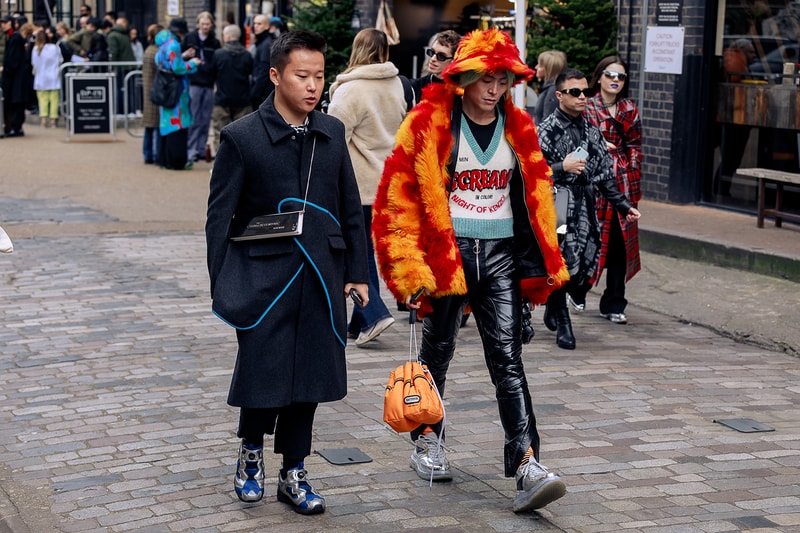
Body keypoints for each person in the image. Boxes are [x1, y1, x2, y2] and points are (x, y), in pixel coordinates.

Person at [372, 28, 570, 513]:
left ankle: (526, 463)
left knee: (508, 359)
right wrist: (409, 265)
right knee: (437, 353)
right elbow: (397, 196)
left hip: (500, 255)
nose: (493, 90)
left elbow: (537, 194)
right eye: (485, 79)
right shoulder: (430, 122)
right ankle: (428, 442)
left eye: (502, 81)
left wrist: (542, 259)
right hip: (447, 253)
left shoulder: (520, 127)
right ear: (464, 77)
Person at [205, 30, 369, 514]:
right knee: (263, 372)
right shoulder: (241, 138)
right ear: (276, 75)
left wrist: (357, 272)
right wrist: (226, 284)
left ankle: (294, 471)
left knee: (311, 379)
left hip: (321, 275)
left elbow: (350, 208)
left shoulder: (332, 131)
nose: (313, 85)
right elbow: (220, 220)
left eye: (319, 76)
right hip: (264, 283)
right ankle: (250, 454)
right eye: (302, 76)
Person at [536, 68, 642, 350]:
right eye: (575, 92)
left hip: (585, 201)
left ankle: (553, 306)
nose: (583, 97)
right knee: (560, 259)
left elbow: (605, 174)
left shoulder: (590, 130)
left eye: (585, 92)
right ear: (559, 95)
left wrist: (623, 205)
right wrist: (562, 167)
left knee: (585, 262)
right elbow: (531, 172)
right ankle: (563, 320)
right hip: (557, 201)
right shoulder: (546, 130)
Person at [327, 28, 410, 346]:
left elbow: (335, 138)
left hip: (358, 183)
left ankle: (373, 312)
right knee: (367, 249)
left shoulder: (351, 90)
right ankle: (358, 321)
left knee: (355, 251)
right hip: (386, 180)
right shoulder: (395, 85)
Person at [584, 56, 642, 324]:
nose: (615, 80)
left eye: (621, 76)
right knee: (589, 241)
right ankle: (576, 291)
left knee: (619, 245)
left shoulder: (629, 109)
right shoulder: (587, 107)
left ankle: (614, 303)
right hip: (594, 184)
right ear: (599, 77)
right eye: (610, 74)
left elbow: (636, 145)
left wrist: (630, 170)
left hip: (623, 184)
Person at [155, 18, 201, 170]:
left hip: (166, 89)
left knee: (166, 125)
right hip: (177, 91)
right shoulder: (174, 45)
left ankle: (164, 159)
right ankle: (176, 161)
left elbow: (166, 63)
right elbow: (178, 68)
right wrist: (193, 63)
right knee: (178, 126)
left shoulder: (164, 45)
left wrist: (183, 56)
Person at [181, 11, 220, 163]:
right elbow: (178, 57)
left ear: (211, 25)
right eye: (202, 24)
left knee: (205, 118)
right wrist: (186, 55)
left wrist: (216, 82)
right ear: (198, 24)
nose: (205, 27)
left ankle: (201, 148)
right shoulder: (189, 38)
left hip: (209, 83)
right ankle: (190, 150)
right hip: (194, 82)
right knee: (194, 117)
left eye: (207, 24)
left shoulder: (214, 42)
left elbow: (217, 63)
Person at [208, 24, 252, 153]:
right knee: (243, 135)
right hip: (243, 100)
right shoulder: (247, 55)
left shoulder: (218, 54)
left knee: (220, 133)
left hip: (222, 98)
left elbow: (211, 74)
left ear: (227, 36)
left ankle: (220, 164)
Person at [409, 30, 460, 103]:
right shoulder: (414, 87)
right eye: (432, 52)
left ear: (453, 61)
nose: (433, 59)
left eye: (441, 56)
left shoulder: (461, 93)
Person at [1, 16, 30, 137]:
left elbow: (13, 60)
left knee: (15, 102)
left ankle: (15, 127)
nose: (2, 25)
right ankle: (13, 127)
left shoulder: (15, 38)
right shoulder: (12, 37)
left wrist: (6, 68)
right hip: (14, 76)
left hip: (15, 77)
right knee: (13, 101)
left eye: (5, 23)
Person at [30, 29, 61, 128]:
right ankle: (53, 120)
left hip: (41, 77)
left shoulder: (35, 49)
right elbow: (60, 60)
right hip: (53, 77)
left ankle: (43, 120)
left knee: (42, 100)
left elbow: (34, 63)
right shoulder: (55, 48)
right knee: (54, 100)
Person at [141, 23, 163, 164]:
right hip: (156, 90)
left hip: (149, 90)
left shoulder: (149, 50)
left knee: (149, 125)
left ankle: (147, 153)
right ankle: (155, 154)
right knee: (156, 125)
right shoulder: (157, 52)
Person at [532, 50, 567, 126]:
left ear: (549, 70)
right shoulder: (550, 89)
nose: (536, 67)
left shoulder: (553, 91)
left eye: (540, 65)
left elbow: (548, 122)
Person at [250, 14, 276, 110]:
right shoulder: (262, 42)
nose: (255, 26)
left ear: (266, 26)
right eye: (255, 23)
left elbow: (264, 69)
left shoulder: (265, 44)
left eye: (259, 24)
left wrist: (255, 93)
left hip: (263, 93)